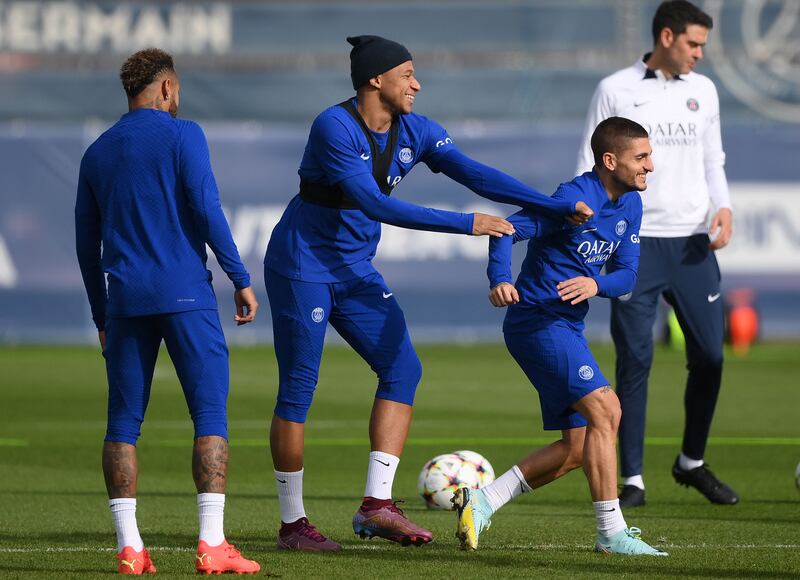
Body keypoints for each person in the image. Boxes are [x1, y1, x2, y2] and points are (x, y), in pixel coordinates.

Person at [263, 35, 594, 551]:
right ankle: (293, 526)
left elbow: (476, 174)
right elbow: (378, 206)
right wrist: (469, 224)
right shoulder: (334, 126)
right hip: (301, 266)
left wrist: (550, 207)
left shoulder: (417, 130)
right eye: (407, 73)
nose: (417, 84)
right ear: (376, 79)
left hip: (354, 268)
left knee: (404, 369)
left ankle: (376, 507)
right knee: (300, 387)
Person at [75, 48, 261, 575]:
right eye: (176, 89)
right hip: (186, 298)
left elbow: (86, 247)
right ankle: (212, 544)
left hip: (126, 304)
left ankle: (130, 547)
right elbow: (206, 208)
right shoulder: (185, 136)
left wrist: (101, 318)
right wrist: (240, 278)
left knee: (122, 424)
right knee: (209, 415)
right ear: (165, 88)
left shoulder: (97, 152)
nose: (179, 97)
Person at [454, 116, 666, 556]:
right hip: (536, 322)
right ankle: (611, 533)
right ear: (610, 160)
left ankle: (484, 500)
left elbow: (625, 276)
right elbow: (507, 229)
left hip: (566, 325)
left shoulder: (630, 204)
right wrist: (499, 279)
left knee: (577, 447)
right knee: (607, 410)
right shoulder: (573, 197)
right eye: (641, 157)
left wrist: (596, 285)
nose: (651, 166)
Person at [575, 0, 737, 508]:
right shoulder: (615, 88)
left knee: (710, 355)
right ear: (666, 37)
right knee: (635, 358)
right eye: (693, 44)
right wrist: (595, 226)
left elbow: (714, 157)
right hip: (636, 244)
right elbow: (588, 159)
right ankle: (633, 480)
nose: (699, 55)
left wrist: (725, 206)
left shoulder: (704, 91)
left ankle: (691, 462)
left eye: (702, 45)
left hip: (692, 242)